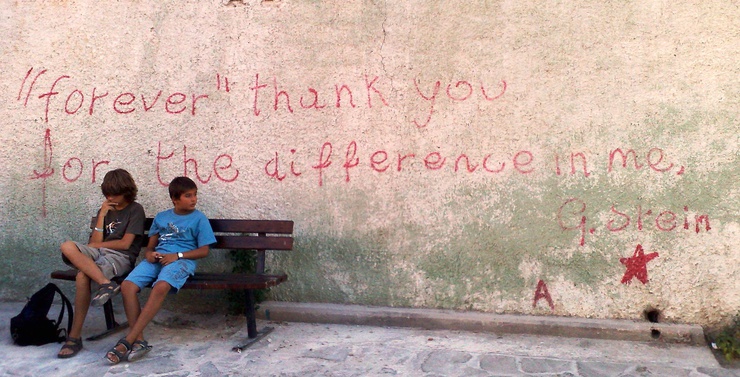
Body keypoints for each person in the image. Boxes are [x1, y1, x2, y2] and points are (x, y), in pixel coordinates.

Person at [105, 176, 216, 364]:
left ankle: (128, 340)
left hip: (181, 261)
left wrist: (178, 256)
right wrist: (149, 253)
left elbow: (204, 250)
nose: (193, 199)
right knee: (127, 286)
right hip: (157, 259)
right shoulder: (162, 217)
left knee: (161, 286)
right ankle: (139, 340)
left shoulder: (199, 218)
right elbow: (151, 244)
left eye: (195, 195)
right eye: (188, 196)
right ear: (174, 198)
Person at [57, 169, 146, 359]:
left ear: (127, 191)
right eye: (107, 193)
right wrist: (102, 215)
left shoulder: (135, 210)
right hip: (98, 254)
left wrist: (96, 245)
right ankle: (106, 283)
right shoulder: (105, 209)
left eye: (115, 193)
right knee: (66, 246)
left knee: (82, 275)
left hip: (120, 258)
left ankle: (74, 337)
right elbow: (93, 242)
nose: (110, 197)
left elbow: (125, 244)